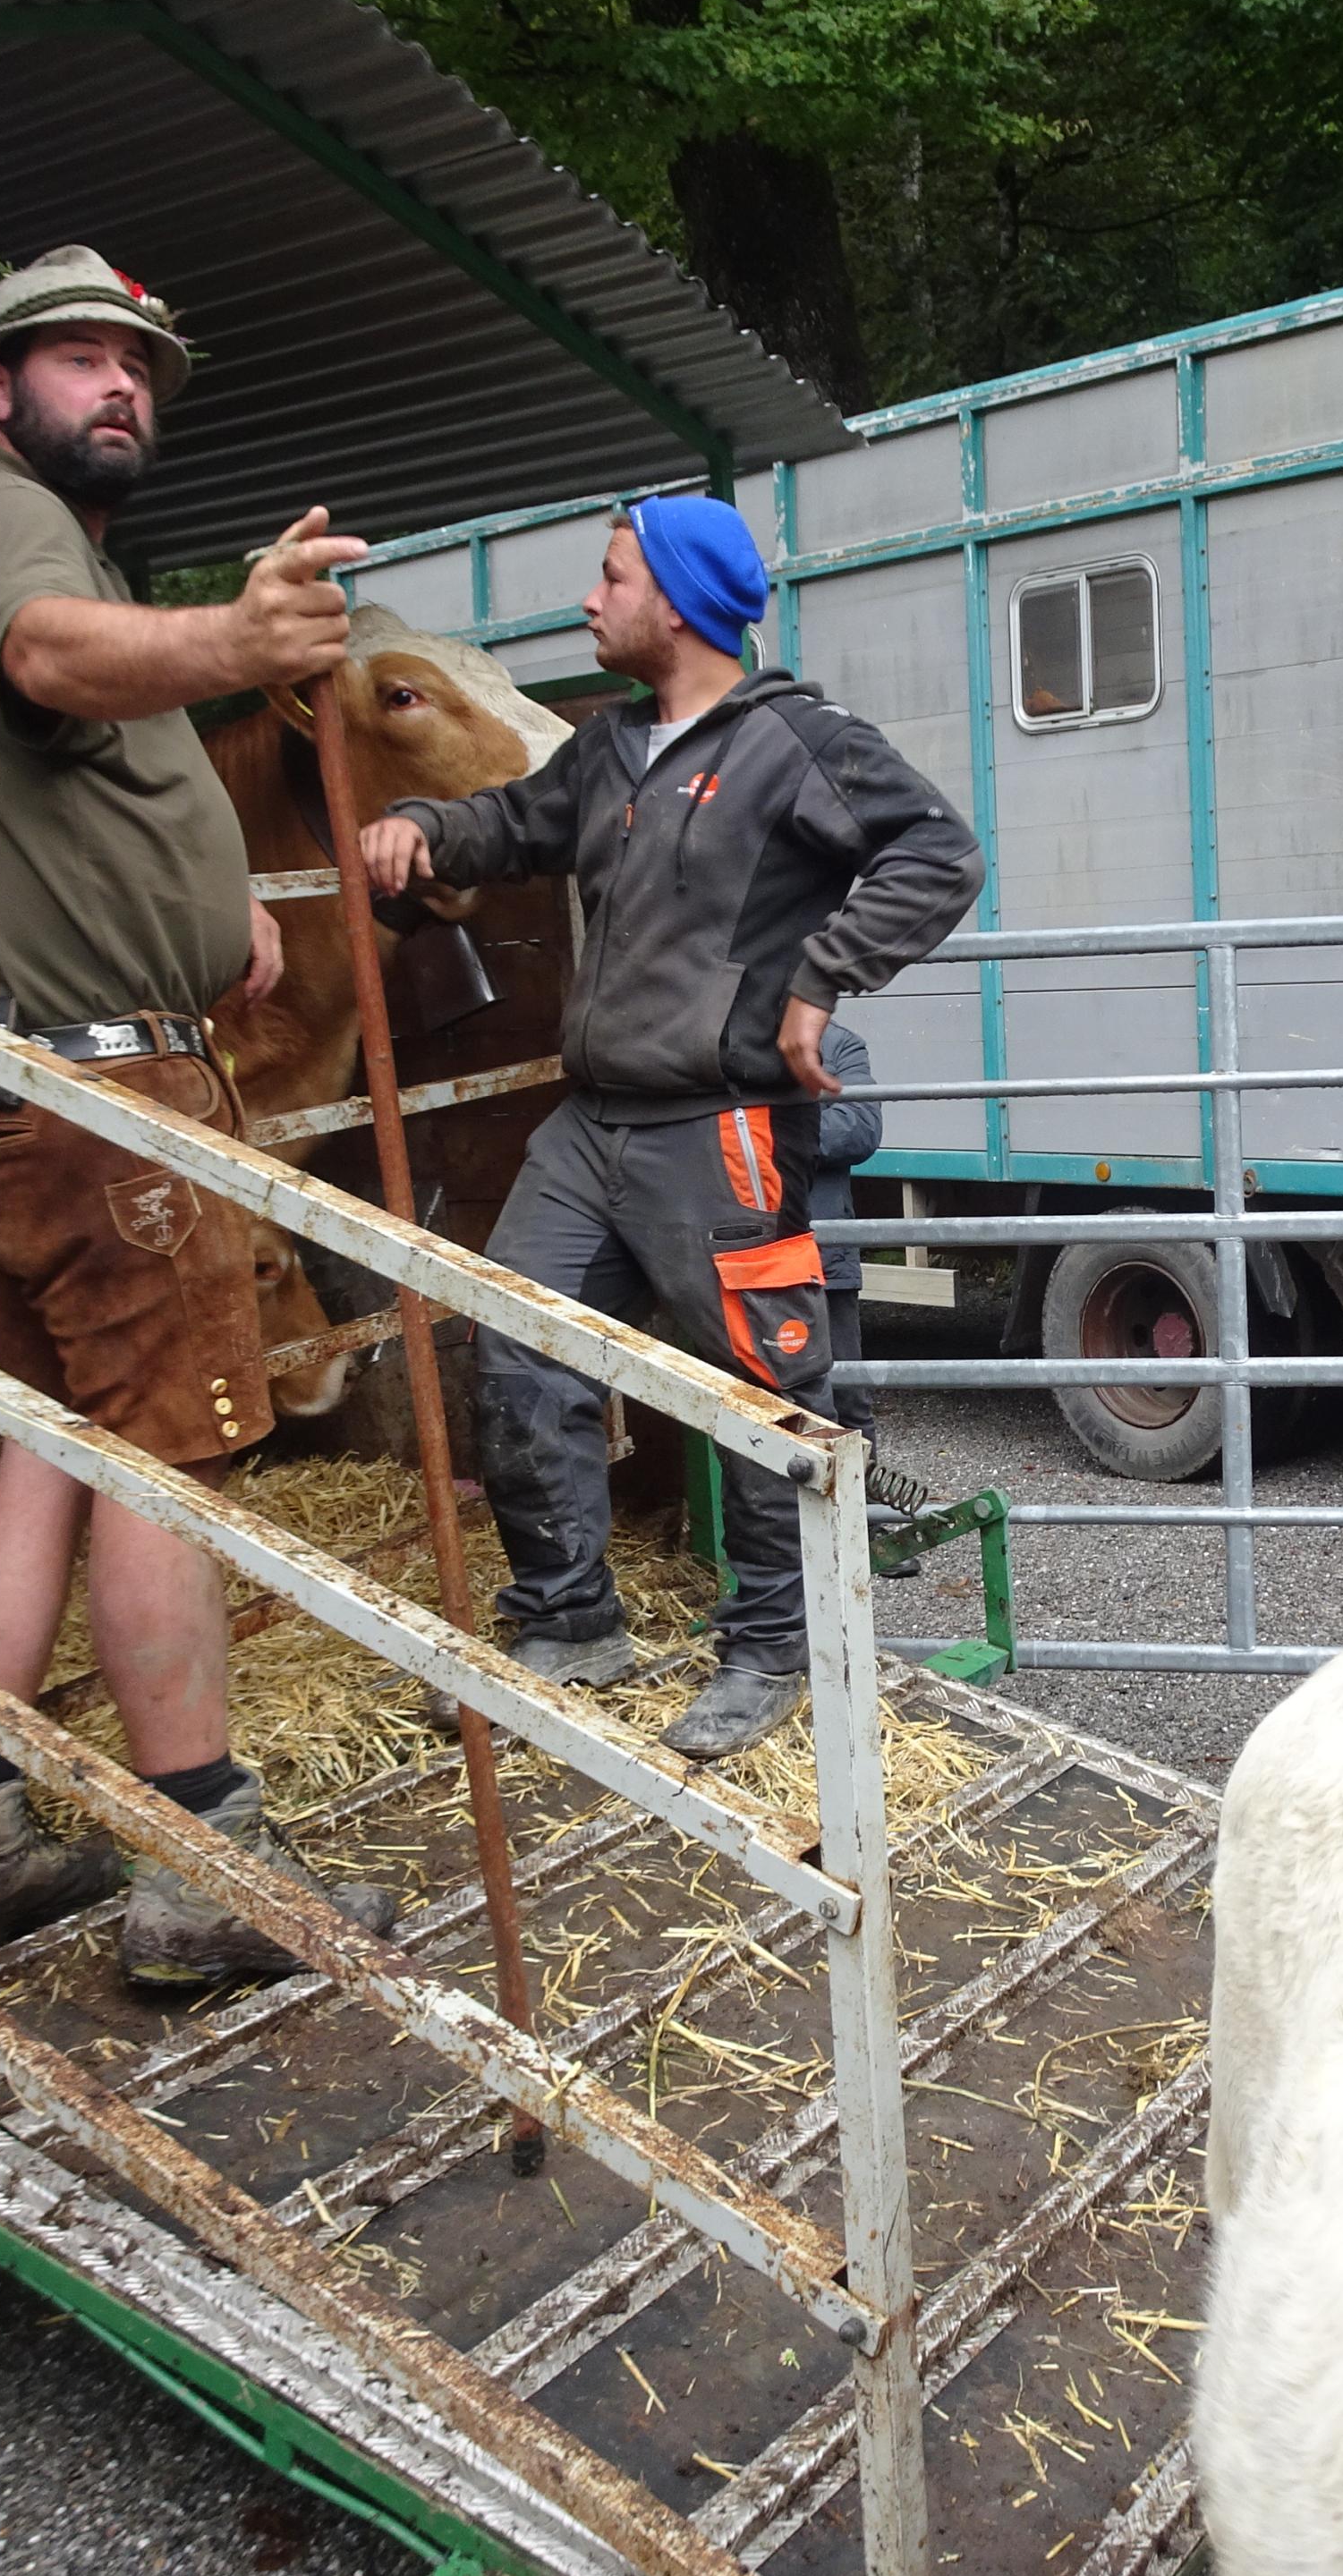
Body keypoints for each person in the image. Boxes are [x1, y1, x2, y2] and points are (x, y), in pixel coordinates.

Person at [0, 244, 399, 1986]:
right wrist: (238, 641)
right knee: (169, 1452)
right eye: (77, 356)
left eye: (138, 363)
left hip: (22, 1083)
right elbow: (49, 656)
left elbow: (75, 745)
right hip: (94, 1098)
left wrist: (212, 904)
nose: (119, 383)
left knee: (52, 1438)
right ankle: (200, 1864)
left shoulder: (29, 542)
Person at [359, 497, 985, 1758]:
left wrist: (822, 979)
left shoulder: (796, 743)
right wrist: (425, 823)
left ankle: (774, 1648)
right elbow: (513, 823)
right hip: (589, 1127)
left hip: (722, 1125)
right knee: (518, 1347)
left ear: (683, 601)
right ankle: (568, 1624)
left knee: (758, 1391)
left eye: (611, 578)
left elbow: (937, 853)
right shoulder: (606, 750)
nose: (590, 601)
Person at [812, 1018, 883, 1440]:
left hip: (822, 1253)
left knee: (846, 1402)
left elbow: (861, 1128)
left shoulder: (839, 1044)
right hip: (746, 1251)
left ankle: (862, 1481)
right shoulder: (726, 1033)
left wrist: (770, 1133)